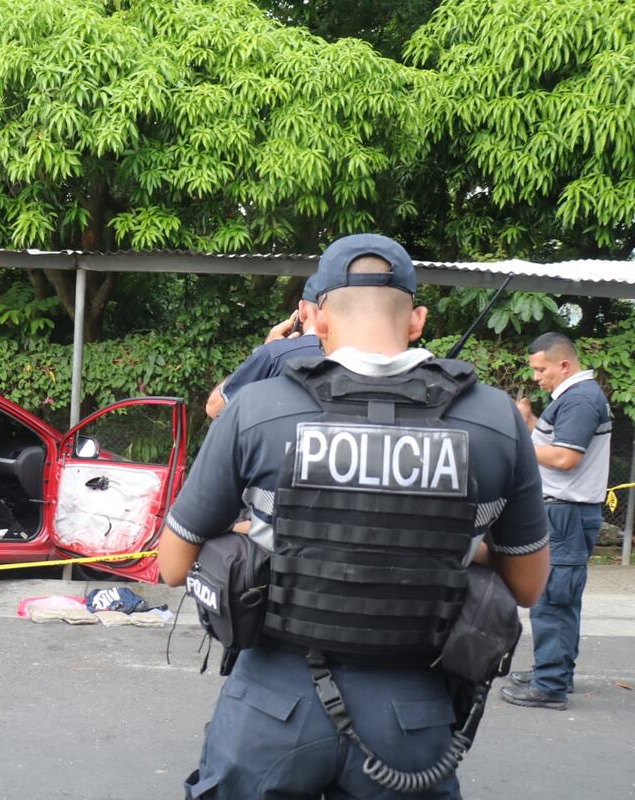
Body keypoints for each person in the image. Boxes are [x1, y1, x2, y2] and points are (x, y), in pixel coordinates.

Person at [159, 233, 550, 799]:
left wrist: (260, 531)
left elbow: (174, 566)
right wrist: (452, 544)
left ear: (315, 319)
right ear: (416, 319)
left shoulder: (258, 408)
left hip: (270, 708)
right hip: (412, 716)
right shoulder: (494, 419)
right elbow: (529, 584)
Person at [503, 333, 611, 710]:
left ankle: (549, 685)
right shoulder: (572, 398)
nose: (536, 376)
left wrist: (515, 444)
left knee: (552, 601)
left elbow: (565, 458)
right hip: (564, 511)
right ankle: (553, 671)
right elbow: (555, 446)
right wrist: (529, 421)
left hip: (565, 512)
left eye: (541, 368)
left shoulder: (580, 399)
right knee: (559, 600)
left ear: (564, 365)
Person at [204, 287, 323, 420]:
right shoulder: (348, 353)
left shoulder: (274, 354)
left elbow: (215, 408)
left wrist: (268, 348)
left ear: (302, 310)